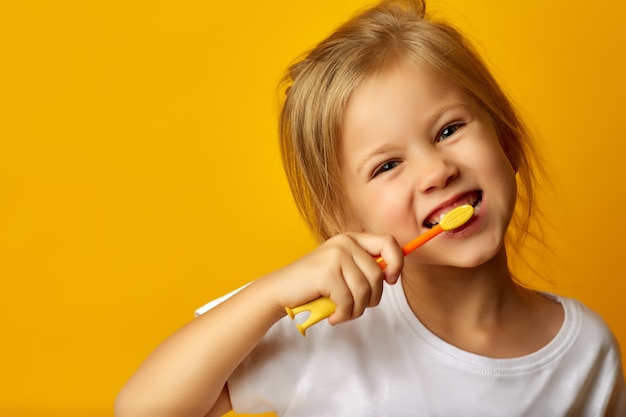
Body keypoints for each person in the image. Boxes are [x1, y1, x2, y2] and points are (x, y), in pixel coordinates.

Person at [115, 0, 626, 416]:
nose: (436, 171)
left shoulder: (587, 353)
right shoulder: (326, 326)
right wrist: (270, 295)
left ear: (507, 143)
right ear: (346, 220)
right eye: (386, 166)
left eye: (450, 130)